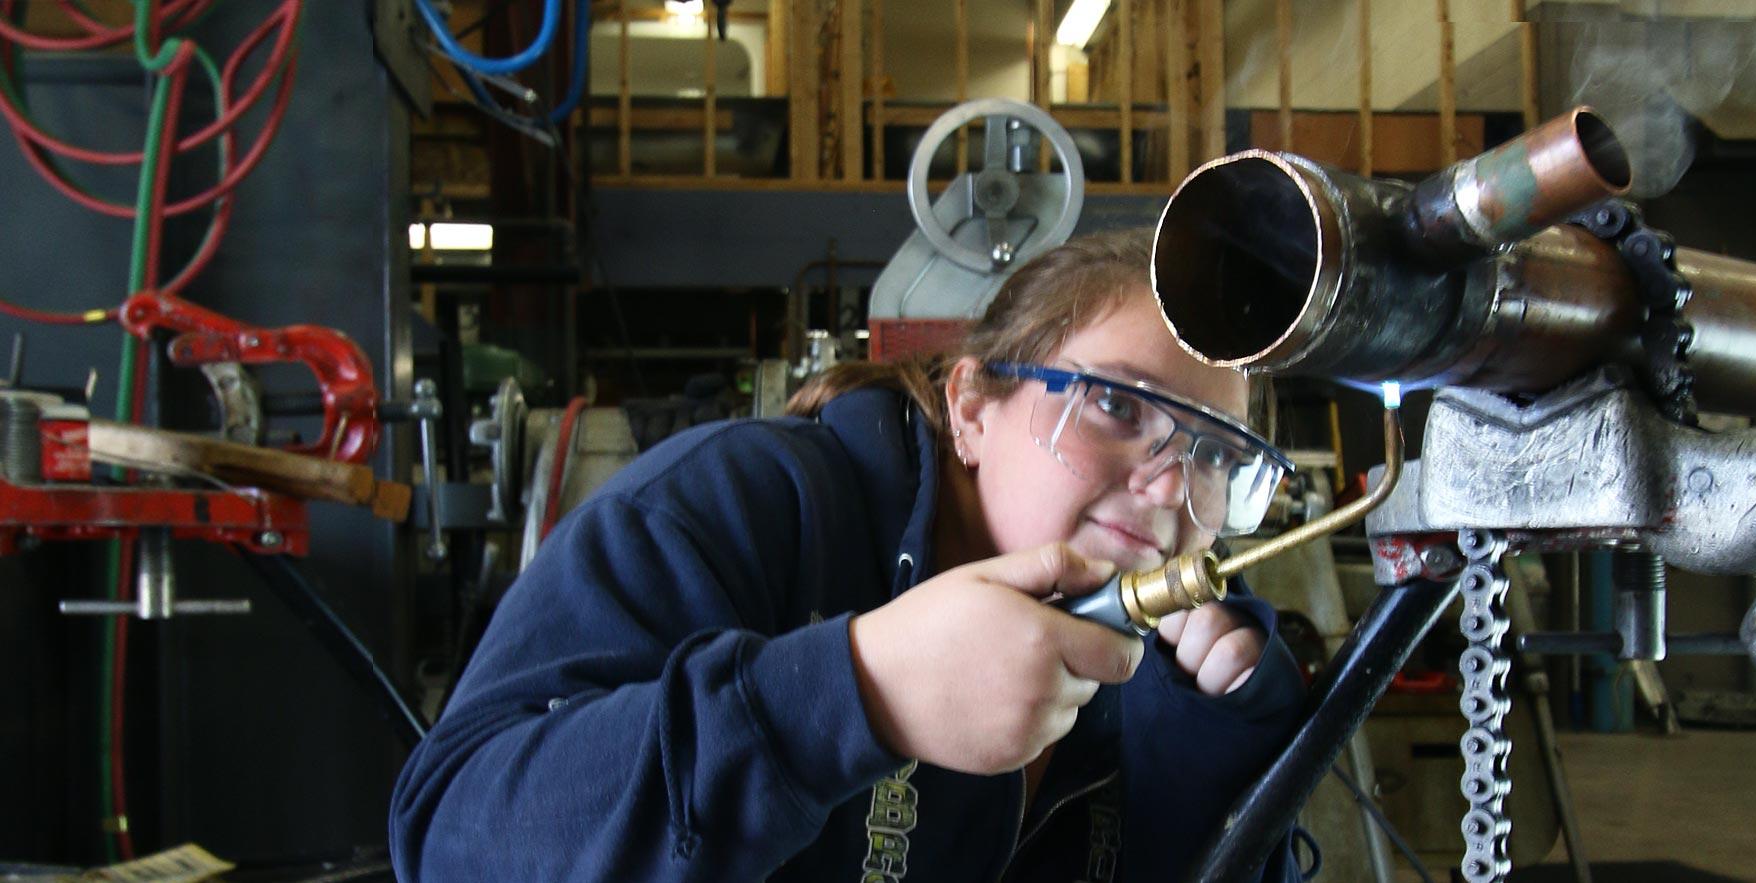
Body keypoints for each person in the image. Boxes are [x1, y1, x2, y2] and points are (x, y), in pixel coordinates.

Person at [389, 228, 1312, 882]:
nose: (1170, 489)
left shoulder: (1156, 670)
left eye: (1220, 455)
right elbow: (453, 839)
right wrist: (852, 694)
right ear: (974, 407)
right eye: (1117, 406)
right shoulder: (746, 506)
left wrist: (1212, 777)